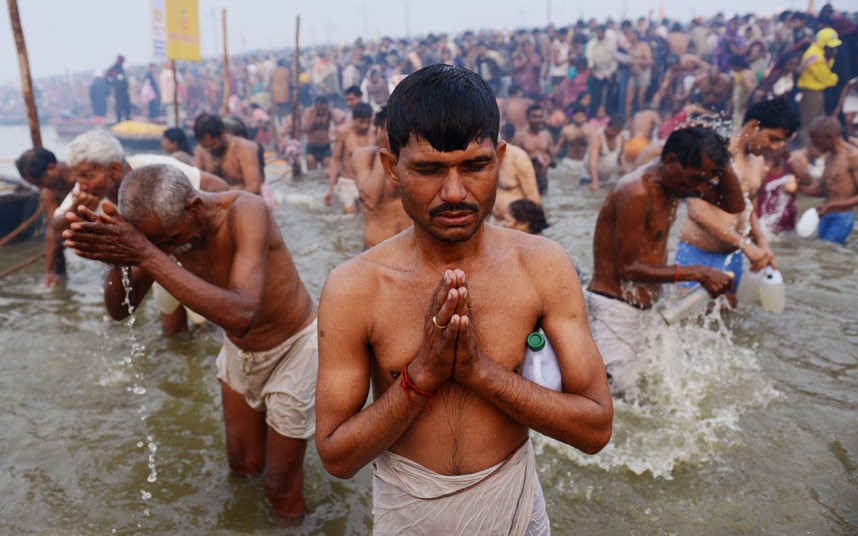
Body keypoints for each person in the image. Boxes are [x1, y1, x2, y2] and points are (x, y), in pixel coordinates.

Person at [315, 64, 612, 534]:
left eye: (475, 166)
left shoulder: (542, 266)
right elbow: (336, 456)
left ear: (500, 158)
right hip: (408, 515)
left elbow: (595, 428)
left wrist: (481, 372)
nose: (454, 193)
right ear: (392, 167)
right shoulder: (356, 287)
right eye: (429, 169)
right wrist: (421, 377)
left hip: (515, 507)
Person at [62, 163, 318, 518]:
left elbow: (242, 315)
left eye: (169, 240)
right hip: (240, 351)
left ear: (194, 206)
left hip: (294, 348)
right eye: (158, 244)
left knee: (279, 488)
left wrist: (147, 254)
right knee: (242, 467)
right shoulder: (159, 235)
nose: (169, 249)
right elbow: (120, 312)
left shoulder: (246, 211)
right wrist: (119, 258)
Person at [587, 126, 745, 395]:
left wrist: (722, 159)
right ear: (671, 161)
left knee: (646, 392)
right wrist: (698, 272)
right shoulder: (636, 191)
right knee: (612, 397)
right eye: (698, 179)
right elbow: (628, 269)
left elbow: (733, 204)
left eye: (708, 179)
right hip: (615, 309)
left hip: (650, 306)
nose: (701, 188)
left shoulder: (678, 185)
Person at [53, 129, 228, 335]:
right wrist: (75, 209)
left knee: (210, 319)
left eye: (88, 176)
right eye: (78, 176)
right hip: (154, 253)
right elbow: (55, 230)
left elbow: (218, 188)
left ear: (115, 169)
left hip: (189, 248)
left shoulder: (155, 170)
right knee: (171, 323)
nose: (81, 184)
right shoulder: (84, 193)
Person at [676, 98, 799, 302]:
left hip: (733, 258)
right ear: (753, 126)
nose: (776, 147)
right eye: (773, 138)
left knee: (729, 322)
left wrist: (762, 244)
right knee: (688, 324)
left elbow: (748, 210)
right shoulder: (715, 153)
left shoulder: (758, 163)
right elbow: (696, 212)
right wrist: (746, 246)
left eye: (780, 142)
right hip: (698, 255)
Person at [352, 106, 412, 249]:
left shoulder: (415, 160)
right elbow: (369, 201)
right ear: (377, 131)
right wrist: (384, 151)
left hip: (412, 253)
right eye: (390, 130)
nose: (396, 136)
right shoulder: (363, 156)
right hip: (375, 251)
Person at [15, 148, 75, 287]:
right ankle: (60, 279)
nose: (40, 188)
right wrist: (48, 271)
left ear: (52, 168)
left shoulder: (81, 172)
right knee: (57, 248)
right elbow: (52, 230)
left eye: (40, 183)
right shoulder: (49, 191)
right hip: (69, 223)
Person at [793, 116, 858, 244]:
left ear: (831, 137)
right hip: (825, 215)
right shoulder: (828, 157)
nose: (814, 145)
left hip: (842, 218)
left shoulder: (853, 156)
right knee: (822, 250)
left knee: (829, 249)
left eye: (817, 141)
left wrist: (830, 206)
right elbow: (821, 190)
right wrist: (798, 188)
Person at [193, 113, 263, 195]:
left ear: (222, 134)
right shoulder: (200, 151)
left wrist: (227, 203)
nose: (208, 150)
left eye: (211, 145)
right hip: (214, 204)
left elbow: (253, 186)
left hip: (242, 203)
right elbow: (196, 184)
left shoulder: (243, 148)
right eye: (205, 147)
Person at [325, 102, 375, 213]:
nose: (365, 126)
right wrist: (331, 189)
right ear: (353, 119)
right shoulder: (343, 132)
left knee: (368, 212)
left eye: (368, 122)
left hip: (368, 183)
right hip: (347, 182)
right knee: (350, 211)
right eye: (361, 122)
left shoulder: (376, 132)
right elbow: (335, 159)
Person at [797, 28, 842, 146]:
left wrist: (830, 58)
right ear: (823, 43)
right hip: (811, 93)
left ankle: (815, 150)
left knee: (817, 123)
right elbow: (828, 80)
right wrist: (835, 77)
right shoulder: (815, 57)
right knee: (809, 123)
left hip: (817, 93)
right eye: (831, 46)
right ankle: (806, 151)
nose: (833, 49)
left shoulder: (819, 52)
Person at [494, 123, 541, 221]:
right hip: (495, 221)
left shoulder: (519, 157)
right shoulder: (485, 159)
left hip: (516, 223)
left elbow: (533, 198)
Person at [513, 105, 554, 195]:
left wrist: (548, 160)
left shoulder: (547, 136)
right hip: (525, 180)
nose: (538, 120)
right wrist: (534, 159)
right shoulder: (520, 137)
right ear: (528, 118)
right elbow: (514, 163)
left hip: (543, 179)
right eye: (534, 117)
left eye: (540, 116)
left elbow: (554, 163)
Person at [582, 114, 626, 191]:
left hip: (609, 179)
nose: (615, 133)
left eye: (617, 131)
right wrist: (594, 182)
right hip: (589, 178)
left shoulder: (621, 137)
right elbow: (592, 161)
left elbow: (621, 153)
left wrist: (622, 165)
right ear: (608, 126)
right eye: (613, 130)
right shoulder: (597, 138)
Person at [555, 105, 593, 178]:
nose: (579, 118)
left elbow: (593, 148)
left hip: (583, 162)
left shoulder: (591, 130)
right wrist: (552, 158)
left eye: (582, 115)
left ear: (585, 117)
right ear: (573, 116)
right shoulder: (567, 130)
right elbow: (559, 146)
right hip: (569, 161)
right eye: (577, 115)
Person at [302, 96, 334, 170]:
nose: (322, 110)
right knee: (312, 173)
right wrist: (314, 116)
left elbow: (340, 120)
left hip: (325, 147)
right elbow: (305, 129)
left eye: (324, 107)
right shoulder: (309, 113)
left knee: (328, 171)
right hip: (312, 148)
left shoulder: (329, 113)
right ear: (315, 106)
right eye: (320, 107)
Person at [106, 55, 131, 123]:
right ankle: (119, 120)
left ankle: (127, 119)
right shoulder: (114, 69)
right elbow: (106, 78)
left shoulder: (120, 68)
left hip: (123, 89)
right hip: (119, 90)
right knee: (119, 105)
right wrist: (113, 84)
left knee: (126, 105)